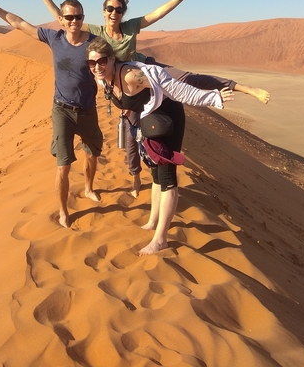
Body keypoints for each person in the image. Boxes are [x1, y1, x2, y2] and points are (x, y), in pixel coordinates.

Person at [39, 0, 270, 197]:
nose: (114, 13)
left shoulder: (130, 26)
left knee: (188, 78)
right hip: (124, 87)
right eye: (110, 9)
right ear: (103, 12)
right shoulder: (95, 32)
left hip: (145, 70)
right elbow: (67, 20)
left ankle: (244, 88)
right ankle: (136, 178)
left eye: (119, 9)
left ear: (123, 13)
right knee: (132, 141)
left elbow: (157, 14)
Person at [86, 37, 235, 255]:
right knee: (155, 172)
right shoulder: (102, 78)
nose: (97, 67)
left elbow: (172, 87)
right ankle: (153, 220)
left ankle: (161, 239)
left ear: (111, 59)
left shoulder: (130, 75)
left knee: (167, 177)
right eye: (92, 63)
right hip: (150, 121)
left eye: (101, 61)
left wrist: (211, 97)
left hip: (167, 119)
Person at [0, 0, 103, 228]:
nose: (74, 21)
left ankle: (89, 187)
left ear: (83, 18)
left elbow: (116, 60)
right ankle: (63, 211)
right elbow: (18, 22)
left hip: (88, 109)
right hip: (62, 110)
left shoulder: (95, 43)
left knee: (92, 154)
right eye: (69, 17)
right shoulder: (54, 39)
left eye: (79, 17)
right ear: (61, 20)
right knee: (63, 165)